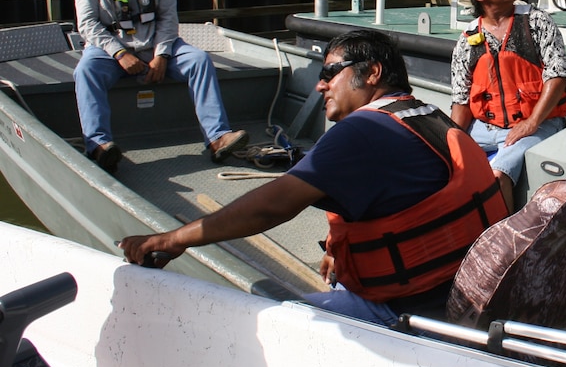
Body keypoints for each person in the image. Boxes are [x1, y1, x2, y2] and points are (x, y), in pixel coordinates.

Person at [120, 29, 508, 325]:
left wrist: (174, 239)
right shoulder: (424, 115)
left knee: (269, 323)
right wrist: (336, 249)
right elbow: (401, 198)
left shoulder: (362, 132)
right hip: (463, 293)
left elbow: (271, 207)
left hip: (409, 310)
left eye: (330, 73)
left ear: (372, 73)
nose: (320, 84)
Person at [74, 0, 247, 173]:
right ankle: (98, 145)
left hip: (155, 46)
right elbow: (87, 25)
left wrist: (162, 55)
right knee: (85, 71)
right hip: (111, 50)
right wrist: (120, 53)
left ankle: (217, 137)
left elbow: (168, 17)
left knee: (198, 60)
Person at [450, 0, 566, 210]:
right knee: (441, 164)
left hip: (540, 123)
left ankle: (502, 242)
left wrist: (531, 122)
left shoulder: (537, 22)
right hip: (485, 128)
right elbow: (461, 101)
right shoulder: (468, 39)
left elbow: (558, 74)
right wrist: (449, 143)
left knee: (496, 176)